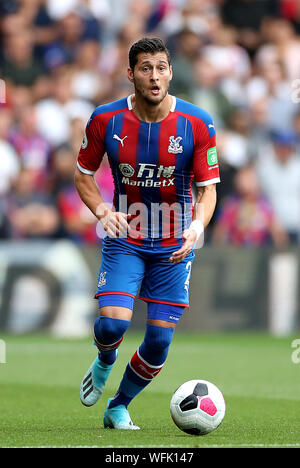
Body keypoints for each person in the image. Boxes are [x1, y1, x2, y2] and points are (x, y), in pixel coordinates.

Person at [74, 37, 220, 430]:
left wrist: (196, 226)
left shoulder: (197, 121)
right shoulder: (105, 119)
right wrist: (103, 210)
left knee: (158, 341)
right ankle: (104, 359)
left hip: (174, 244)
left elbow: (208, 190)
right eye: (145, 68)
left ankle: (119, 405)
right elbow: (83, 176)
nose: (154, 77)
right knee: (112, 326)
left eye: (161, 68)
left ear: (170, 72)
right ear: (130, 74)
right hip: (127, 236)